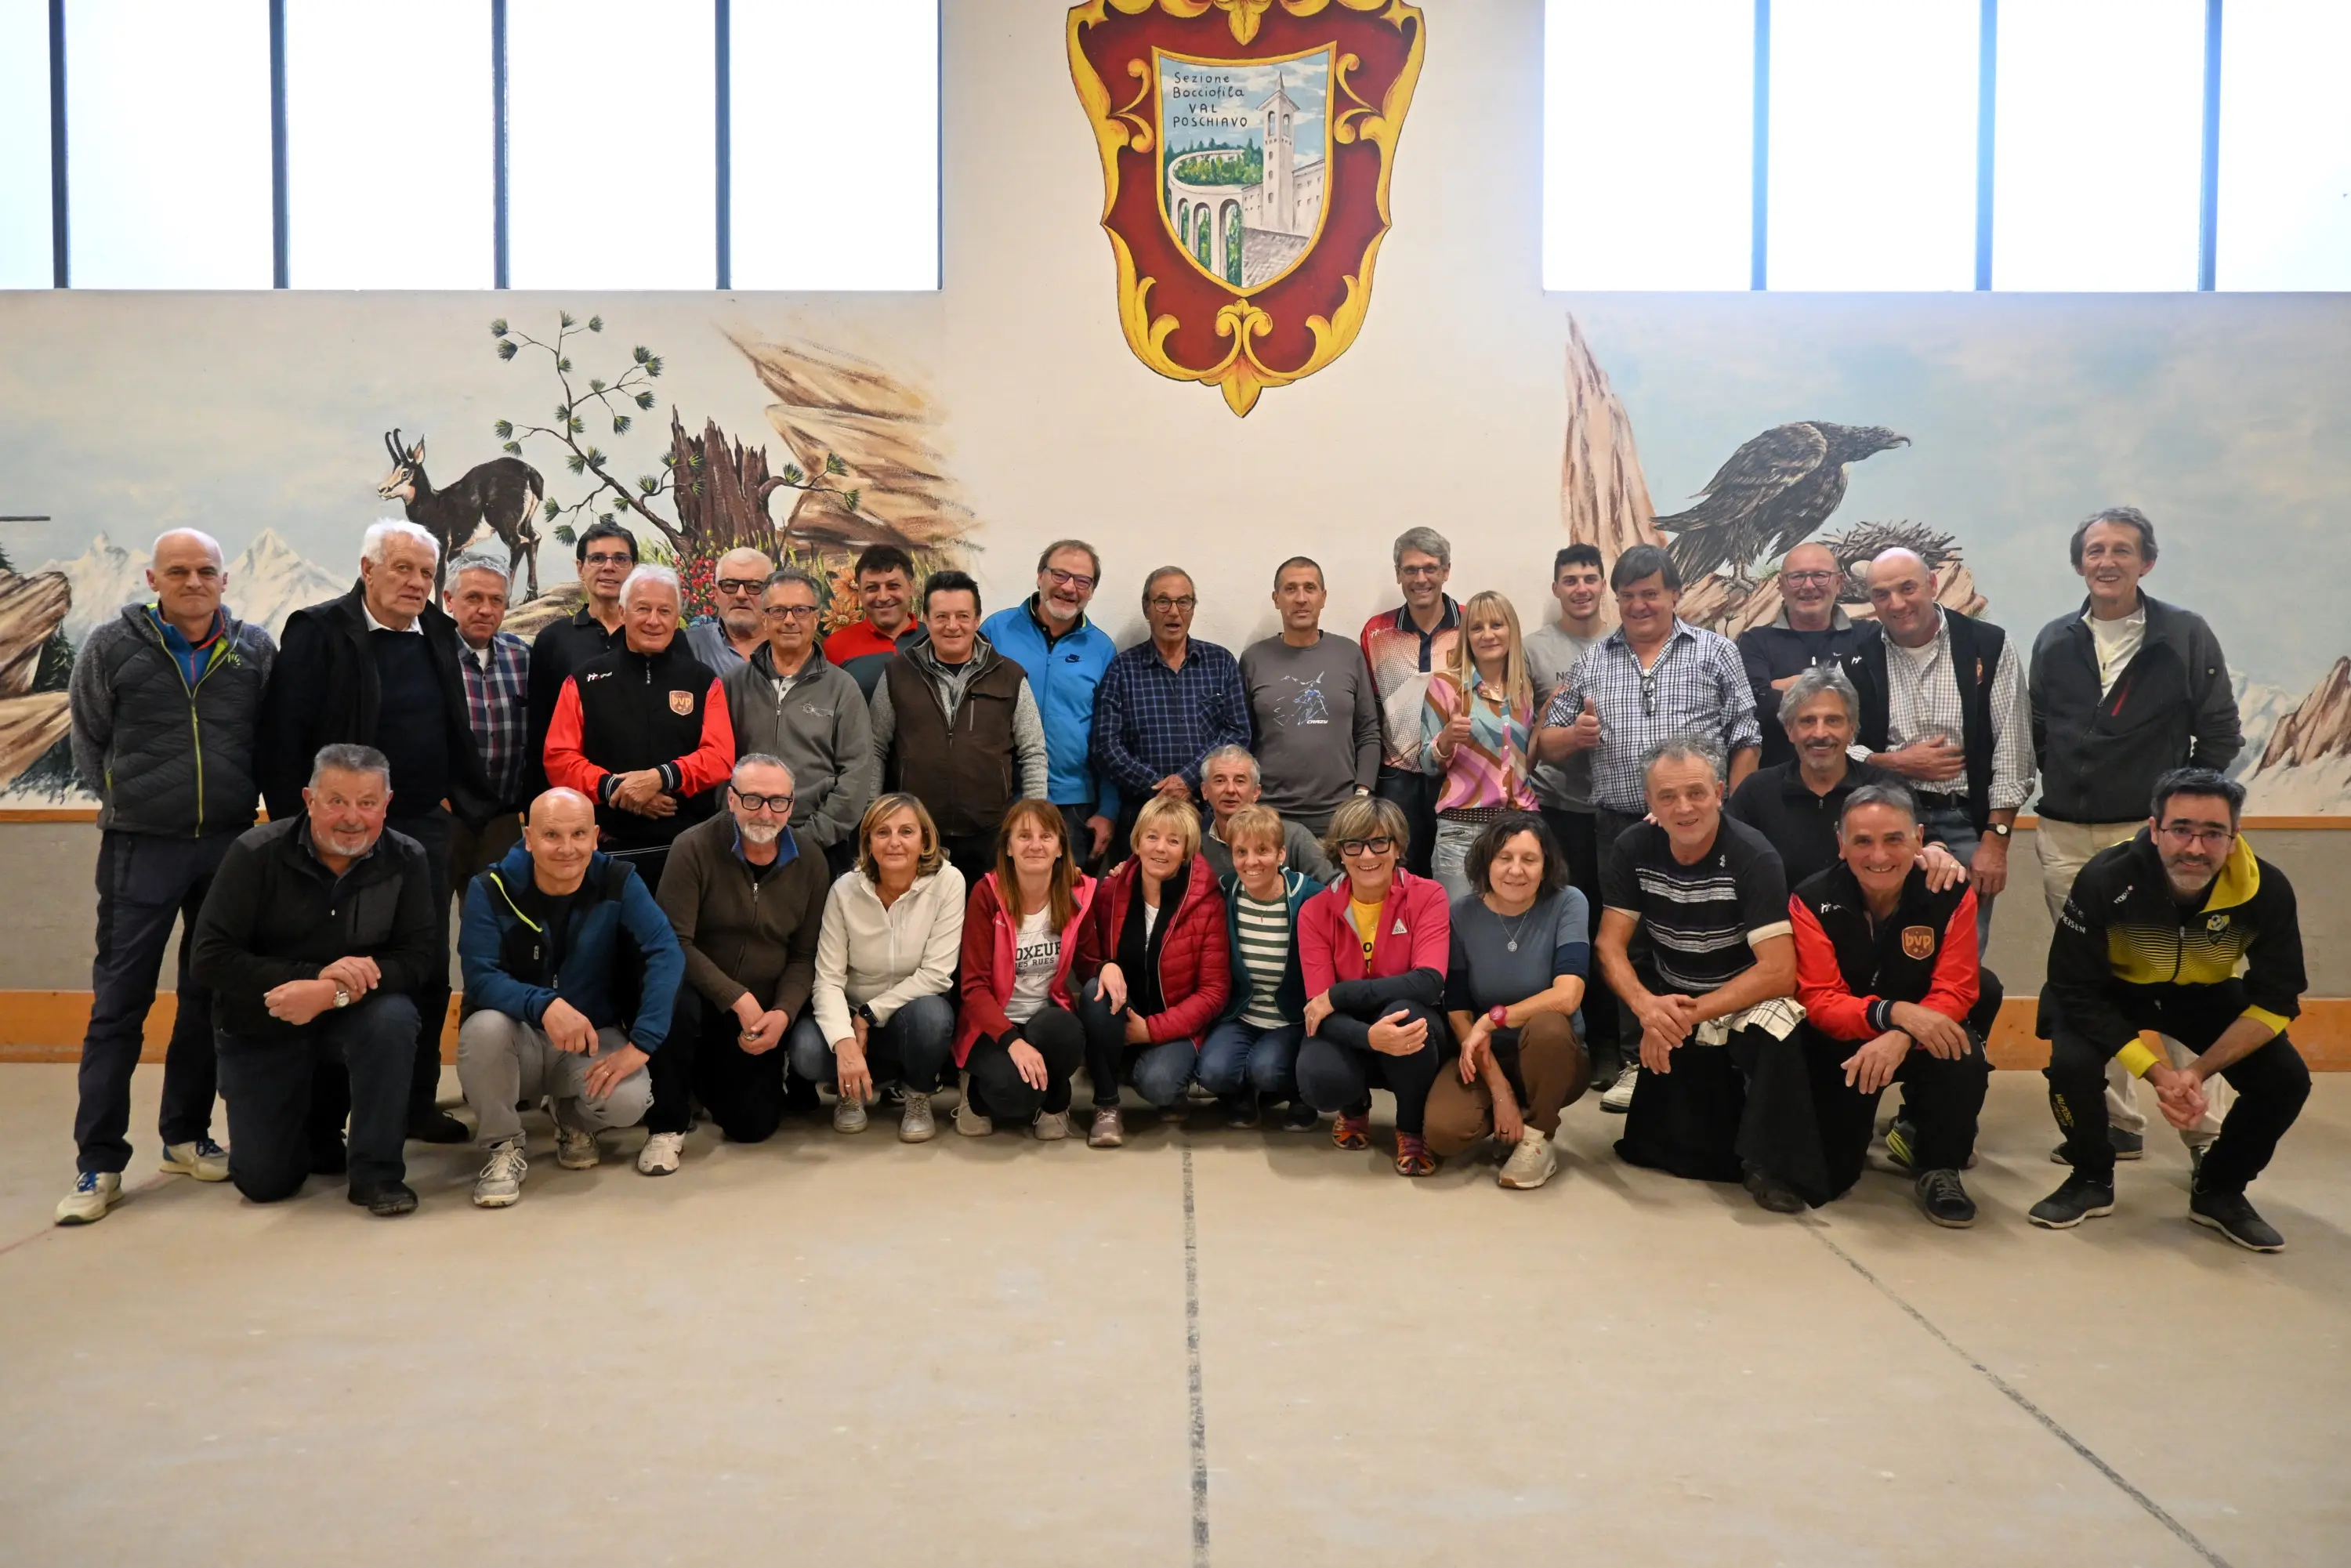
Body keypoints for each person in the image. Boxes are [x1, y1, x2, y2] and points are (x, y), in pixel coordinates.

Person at [56, 529, 275, 1225]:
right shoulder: (111, 648)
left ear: (225, 580)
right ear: (153, 579)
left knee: (206, 996)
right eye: (178, 570)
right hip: (139, 850)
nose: (193, 581)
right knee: (119, 1004)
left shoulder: (253, 651)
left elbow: (270, 736)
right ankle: (98, 1163)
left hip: (227, 849)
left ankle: (184, 1134)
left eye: (206, 570)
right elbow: (90, 739)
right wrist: (128, 800)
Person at [258, 518, 493, 1146]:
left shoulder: (439, 633)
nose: (417, 582)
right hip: (337, 832)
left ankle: (413, 1104)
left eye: (426, 571)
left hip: (421, 829)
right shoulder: (318, 633)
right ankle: (323, 1121)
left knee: (425, 967)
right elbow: (283, 740)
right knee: (337, 964)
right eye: (403, 569)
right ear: (368, 570)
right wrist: (295, 833)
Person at [2028, 507, 2241, 1164]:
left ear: (2146, 562)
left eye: (2123, 549)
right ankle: (2115, 1123)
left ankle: (2206, 1129)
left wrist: (2178, 821)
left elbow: (2222, 732)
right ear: (2078, 563)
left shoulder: (2184, 635)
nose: (2107, 561)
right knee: (2089, 980)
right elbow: (2039, 731)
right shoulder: (2054, 639)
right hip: (2065, 832)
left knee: (2183, 975)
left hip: (2149, 834)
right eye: (2095, 549)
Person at [2031, 769, 2310, 1252]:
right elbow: (2074, 989)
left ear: (2234, 836)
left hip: (2203, 992)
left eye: (2213, 833)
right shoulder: (2104, 878)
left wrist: (2198, 1071)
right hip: (2108, 990)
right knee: (2070, 1065)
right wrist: (2159, 1073)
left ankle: (2220, 1189)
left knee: (2286, 1079)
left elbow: (2277, 997)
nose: (2195, 848)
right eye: (2181, 829)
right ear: (2155, 829)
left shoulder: (2267, 889)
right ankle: (2090, 1178)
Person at [1537, 543, 1759, 1093]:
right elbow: (1546, 740)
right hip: (1620, 826)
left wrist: (1728, 813)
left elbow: (1746, 736)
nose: (1639, 605)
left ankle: (1710, 1052)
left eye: (1650, 594)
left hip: (1698, 823)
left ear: (1674, 594)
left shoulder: (1715, 651)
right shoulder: (1593, 660)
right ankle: (1640, 1061)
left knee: (1705, 938)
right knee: (1629, 945)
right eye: (1629, 596)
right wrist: (1575, 736)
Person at [186, 745, 438, 1216]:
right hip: (264, 1025)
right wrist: (308, 977)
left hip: (353, 1017)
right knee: (265, 1183)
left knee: (394, 1019)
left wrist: (331, 991)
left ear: (387, 803)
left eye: (367, 803)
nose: (352, 818)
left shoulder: (408, 858)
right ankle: (314, 1127)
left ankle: (377, 1174)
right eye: (336, 801)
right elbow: (209, 958)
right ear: (308, 799)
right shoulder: (254, 853)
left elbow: (419, 958)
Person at [1596, 737, 1809, 1214]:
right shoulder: (1631, 848)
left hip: (1744, 996)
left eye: (1696, 793)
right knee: (1654, 1147)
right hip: (1672, 999)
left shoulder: (1755, 856)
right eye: (1667, 797)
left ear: (1719, 792)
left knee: (1781, 1029)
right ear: (1649, 802)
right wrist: (1647, 1008)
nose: (1684, 807)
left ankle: (1771, 1166)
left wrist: (1681, 1017)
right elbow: (1609, 946)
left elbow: (1779, 972)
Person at [455, 788, 683, 1208]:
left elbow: (665, 951)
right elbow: (481, 977)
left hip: (590, 1035)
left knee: (628, 1102)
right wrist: (544, 1004)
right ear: (528, 836)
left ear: (596, 836)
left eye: (579, 834)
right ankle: (503, 1147)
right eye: (552, 835)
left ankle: (572, 1118)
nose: (567, 849)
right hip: (515, 1041)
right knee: (483, 1028)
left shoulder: (619, 880)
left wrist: (643, 1043)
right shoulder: (490, 888)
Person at [1790, 784, 1997, 1227]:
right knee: (1830, 1177)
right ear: (1841, 845)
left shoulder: (1952, 893)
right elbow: (1819, 999)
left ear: (1920, 839)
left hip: (1919, 1036)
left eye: (1894, 839)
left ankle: (1940, 1163)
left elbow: (1957, 989)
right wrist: (1894, 1014)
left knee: (1964, 1054)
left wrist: (1902, 1036)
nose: (1879, 855)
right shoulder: (1809, 899)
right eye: (1862, 841)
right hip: (1845, 1045)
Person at [648, 755, 829, 1169]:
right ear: (730, 800)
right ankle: (667, 1123)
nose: (765, 812)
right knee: (671, 999)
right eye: (752, 799)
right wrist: (735, 997)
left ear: (791, 805)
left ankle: (706, 1082)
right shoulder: (692, 847)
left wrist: (782, 1013)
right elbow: (674, 941)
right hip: (698, 996)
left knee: (753, 1126)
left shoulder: (812, 861)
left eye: (778, 802)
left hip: (760, 1013)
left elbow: (804, 956)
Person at [1849, 548, 2034, 951]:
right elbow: (1837, 748)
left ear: (1933, 585)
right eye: (1882, 594)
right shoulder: (1856, 657)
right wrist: (1892, 762)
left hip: (1967, 822)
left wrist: (1996, 843)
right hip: (1888, 823)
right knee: (1880, 946)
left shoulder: (1989, 645)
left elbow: (2014, 752)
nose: (1896, 603)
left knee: (1962, 953)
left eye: (1907, 588)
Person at [543, 563, 736, 891]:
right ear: (622, 612)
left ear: (677, 619)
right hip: (606, 850)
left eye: (665, 611)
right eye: (643, 608)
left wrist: (660, 777)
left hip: (688, 850)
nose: (653, 620)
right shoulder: (585, 680)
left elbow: (720, 757)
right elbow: (559, 759)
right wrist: (616, 789)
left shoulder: (703, 681)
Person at [1426, 813, 1592, 1190]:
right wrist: (1499, 1090)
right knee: (1444, 1134)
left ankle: (1538, 1137)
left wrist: (1493, 1019)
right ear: (1486, 861)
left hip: (1555, 1055)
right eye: (1505, 858)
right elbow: (1459, 1010)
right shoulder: (1462, 914)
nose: (1516, 870)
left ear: (1546, 864)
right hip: (1488, 1055)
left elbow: (1567, 996)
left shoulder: (1569, 903)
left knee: (1548, 1025)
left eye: (1529, 859)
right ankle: (1512, 1112)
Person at [790, 793, 965, 1142]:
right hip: (852, 1013)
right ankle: (850, 1088)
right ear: (868, 842)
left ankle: (917, 1094)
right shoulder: (844, 890)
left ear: (925, 839)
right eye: (882, 832)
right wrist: (844, 1041)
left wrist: (870, 1014)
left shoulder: (949, 882)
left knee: (934, 1017)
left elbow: (937, 974)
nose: (895, 842)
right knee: (806, 1050)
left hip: (907, 1015)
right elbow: (827, 979)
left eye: (906, 831)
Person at [1295, 794, 1450, 1176]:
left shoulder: (1429, 895)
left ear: (1397, 848)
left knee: (1409, 1019)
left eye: (1380, 842)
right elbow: (1319, 1011)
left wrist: (1339, 994)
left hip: (1407, 1021)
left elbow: (1429, 983)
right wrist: (1369, 1038)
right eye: (1354, 845)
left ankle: (1411, 1127)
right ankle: (1354, 1106)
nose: (1367, 856)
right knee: (1318, 1080)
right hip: (1348, 1028)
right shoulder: (1314, 911)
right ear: (1340, 852)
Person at [870, 570, 1050, 883]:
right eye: (941, 616)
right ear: (926, 618)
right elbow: (875, 748)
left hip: (991, 833)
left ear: (977, 619)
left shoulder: (1009, 675)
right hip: (916, 833)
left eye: (963, 616)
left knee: (986, 923)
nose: (952, 626)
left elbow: (1033, 751)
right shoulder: (898, 674)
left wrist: (1033, 818)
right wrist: (874, 817)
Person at [1074, 793, 1230, 1147]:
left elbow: (1214, 991)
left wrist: (1151, 1030)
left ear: (1188, 849)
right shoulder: (1111, 890)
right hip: (1119, 1012)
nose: (1161, 848)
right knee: (1094, 992)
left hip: (1173, 1026)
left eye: (1174, 841)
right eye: (1152, 837)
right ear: (1137, 841)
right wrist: (1105, 966)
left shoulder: (1207, 902)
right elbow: (1085, 960)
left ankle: (1139, 1067)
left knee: (1159, 1084)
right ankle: (1106, 1106)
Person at [1727, 664, 1965, 892]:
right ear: (1790, 730)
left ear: (1852, 730)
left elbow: (1928, 840)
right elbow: (1723, 849)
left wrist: (1938, 853)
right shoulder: (1756, 791)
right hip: (1782, 927)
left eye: (1833, 720)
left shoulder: (1887, 785)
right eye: (1808, 721)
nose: (1820, 734)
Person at [1524, 543, 1614, 1103]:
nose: (1581, 588)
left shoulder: (1626, 642)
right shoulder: (1534, 649)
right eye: (1570, 579)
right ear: (1555, 588)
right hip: (1555, 809)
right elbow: (1527, 735)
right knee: (1556, 926)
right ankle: (1558, 1036)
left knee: (1609, 927)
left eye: (1590, 578)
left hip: (1614, 808)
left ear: (1602, 584)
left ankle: (1606, 1040)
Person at [955, 798, 1099, 1140]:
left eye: (1046, 836)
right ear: (1008, 847)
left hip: (1045, 1021)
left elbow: (1088, 962)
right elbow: (973, 987)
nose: (1035, 845)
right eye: (1024, 836)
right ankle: (973, 1094)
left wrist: (1106, 968)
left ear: (1061, 848)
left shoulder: (1078, 894)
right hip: (992, 1026)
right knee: (1015, 1096)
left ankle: (1055, 1103)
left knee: (1064, 1031)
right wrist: (1011, 1041)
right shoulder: (986, 894)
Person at [723, 566, 873, 881]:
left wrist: (808, 840)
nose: (790, 620)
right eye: (778, 611)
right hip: (740, 844)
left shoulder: (842, 689)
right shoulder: (732, 685)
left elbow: (856, 776)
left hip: (818, 849)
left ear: (816, 619)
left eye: (800, 610)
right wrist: (737, 827)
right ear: (764, 618)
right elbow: (718, 763)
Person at [1090, 567, 1249, 852]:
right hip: (1142, 816)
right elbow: (1106, 745)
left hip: (1207, 815)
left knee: (1205, 892)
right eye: (1163, 601)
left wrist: (1188, 779)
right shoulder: (1123, 669)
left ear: (1192, 608)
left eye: (1183, 602)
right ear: (1147, 608)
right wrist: (1159, 787)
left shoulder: (1220, 662)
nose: (1174, 611)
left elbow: (1238, 732)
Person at [980, 540, 1119, 867]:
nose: (1069, 587)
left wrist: (1107, 810)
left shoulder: (1101, 649)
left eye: (1082, 580)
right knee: (1001, 904)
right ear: (1040, 576)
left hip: (1073, 806)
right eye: (1060, 574)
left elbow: (1111, 735)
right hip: (1002, 798)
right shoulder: (995, 632)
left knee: (1068, 910)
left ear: (1091, 591)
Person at [1197, 805, 1325, 1132]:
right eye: (1242, 852)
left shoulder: (1309, 895)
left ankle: (1299, 1093)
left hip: (1292, 1018)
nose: (1251, 862)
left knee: (1267, 1068)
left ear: (1281, 853)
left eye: (1263, 850)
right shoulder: (1225, 891)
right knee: (1212, 1071)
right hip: (1243, 1015)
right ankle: (1246, 1092)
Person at [1241, 556, 1382, 836]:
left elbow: (1368, 731)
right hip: (1269, 814)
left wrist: (1362, 793)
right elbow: (1242, 737)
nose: (1301, 598)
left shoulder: (1348, 654)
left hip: (1339, 813)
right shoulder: (1253, 659)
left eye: (1310, 588)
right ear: (1276, 598)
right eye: (1290, 589)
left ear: (1323, 597)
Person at [1420, 590, 1540, 900]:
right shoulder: (1445, 685)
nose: (1488, 635)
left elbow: (1528, 760)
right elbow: (1427, 765)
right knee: (1458, 934)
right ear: (1466, 636)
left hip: (1519, 830)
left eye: (1497, 625)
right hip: (1462, 831)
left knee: (1512, 931)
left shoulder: (1524, 689)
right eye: (1477, 627)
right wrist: (1445, 740)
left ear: (1511, 631)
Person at [1360, 527, 1459, 877]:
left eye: (1431, 568)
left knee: (1457, 875)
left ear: (1446, 570)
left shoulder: (1474, 624)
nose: (1421, 578)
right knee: (1400, 875)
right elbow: (1369, 709)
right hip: (1397, 777)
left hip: (1457, 774)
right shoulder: (1376, 631)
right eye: (1411, 569)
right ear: (1398, 574)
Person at [1736, 541, 1872, 770]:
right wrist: (1839, 691)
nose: (1808, 586)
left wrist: (1782, 687)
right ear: (1780, 585)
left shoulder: (1868, 635)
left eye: (1820, 575)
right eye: (1797, 577)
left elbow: (1871, 706)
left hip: (1856, 787)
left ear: (1839, 583)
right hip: (1777, 789)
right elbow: (1756, 710)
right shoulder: (1755, 642)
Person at [525, 521, 637, 798]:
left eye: (620, 559)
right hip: (572, 797)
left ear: (634, 568)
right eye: (597, 558)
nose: (608, 567)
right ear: (580, 568)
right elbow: (539, 730)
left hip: (647, 795)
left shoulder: (657, 637)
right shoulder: (553, 640)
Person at [444, 554, 531, 883]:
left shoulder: (521, 657)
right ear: (449, 600)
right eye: (474, 598)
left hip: (502, 820)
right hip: (444, 816)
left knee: (496, 924)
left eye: (496, 600)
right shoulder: (427, 654)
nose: (485, 609)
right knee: (429, 919)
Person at [1197, 744, 1336, 885]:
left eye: (1240, 781)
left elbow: (1336, 888)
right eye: (1220, 780)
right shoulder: (1198, 848)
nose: (1230, 789)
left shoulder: (1294, 837)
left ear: (1256, 792)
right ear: (1205, 791)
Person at [824, 543, 926, 698]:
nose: (883, 597)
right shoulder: (835, 647)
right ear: (859, 593)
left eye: (893, 586)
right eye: (872, 588)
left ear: (910, 587)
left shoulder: (935, 638)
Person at [684, 545, 775, 674]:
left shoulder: (790, 645)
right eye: (730, 585)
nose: (741, 595)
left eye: (754, 587)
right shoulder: (690, 645)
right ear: (715, 595)